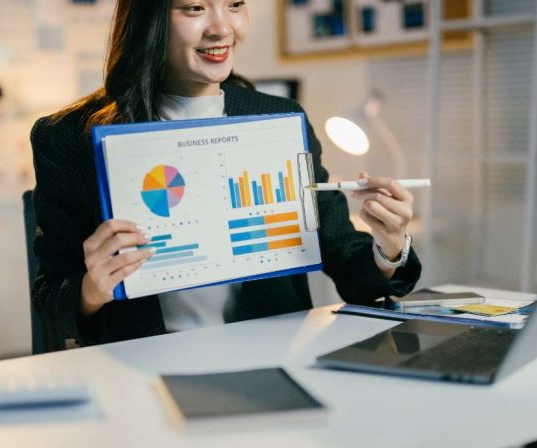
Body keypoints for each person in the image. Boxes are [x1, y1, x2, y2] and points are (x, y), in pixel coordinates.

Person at [30, 0, 421, 352]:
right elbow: (50, 296)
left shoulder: (280, 118)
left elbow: (345, 257)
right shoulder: (68, 137)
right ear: (147, 18)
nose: (222, 28)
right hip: (142, 365)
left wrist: (388, 246)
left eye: (235, 4)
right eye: (195, 8)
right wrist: (93, 288)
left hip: (271, 355)